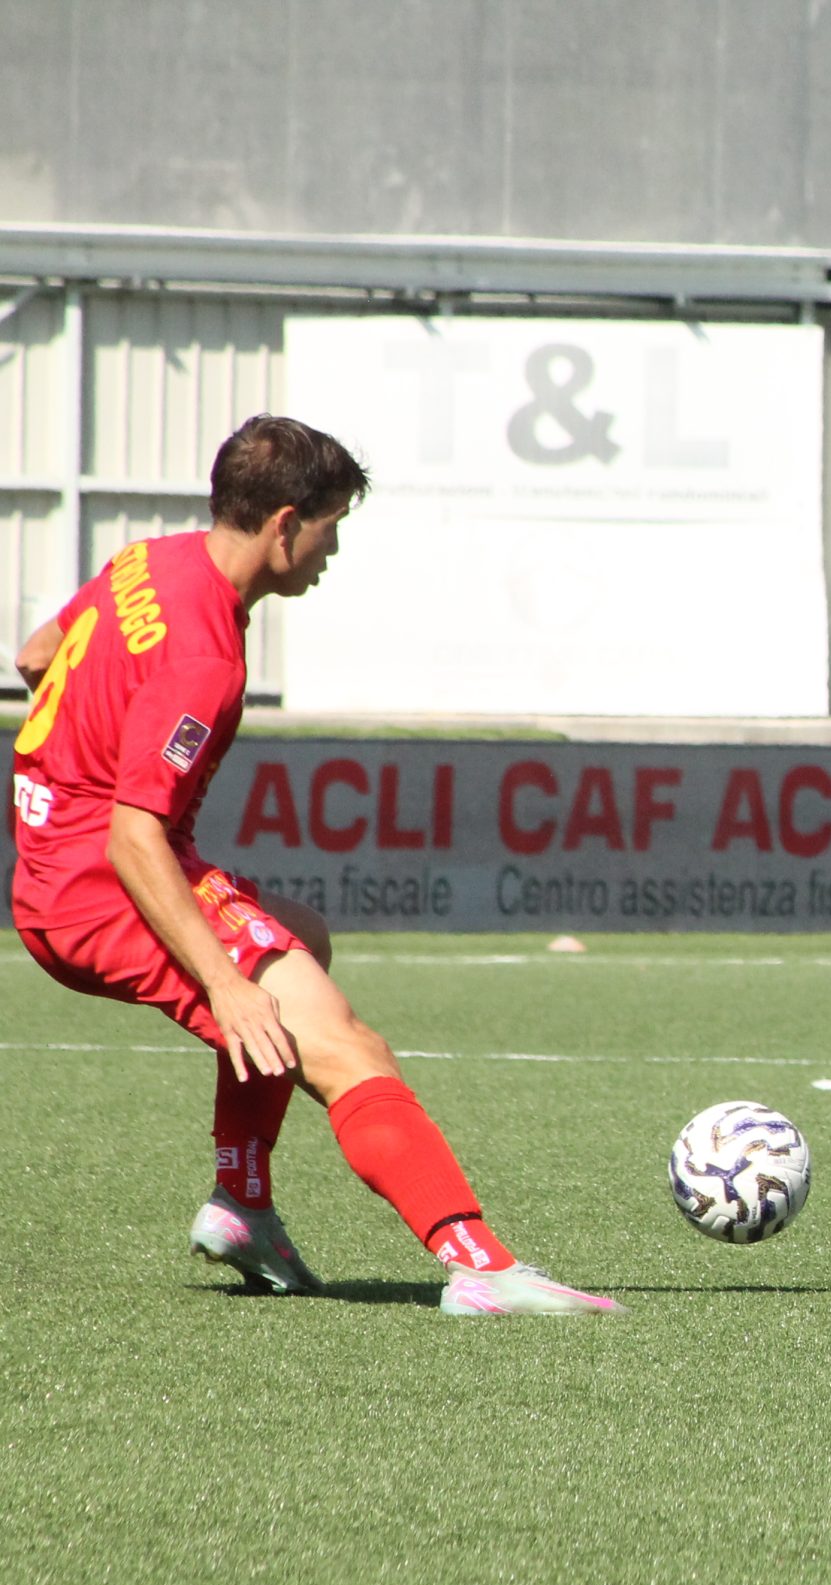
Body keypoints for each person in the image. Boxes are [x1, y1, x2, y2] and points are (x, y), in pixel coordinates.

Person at [10, 414, 617, 1316]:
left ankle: (242, 1202)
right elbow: (134, 836)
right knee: (342, 1044)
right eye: (332, 525)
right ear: (286, 524)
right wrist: (224, 981)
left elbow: (36, 655)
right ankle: (481, 1265)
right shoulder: (204, 655)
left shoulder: (146, 562)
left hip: (55, 860)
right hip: (104, 882)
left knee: (304, 937)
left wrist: (80, 763)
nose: (334, 549)